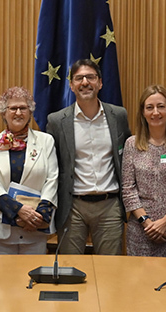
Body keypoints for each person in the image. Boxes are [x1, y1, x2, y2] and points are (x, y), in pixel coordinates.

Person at [46, 59, 131, 255]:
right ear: (71, 85)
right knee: (70, 267)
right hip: (72, 207)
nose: (85, 82)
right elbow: (51, 165)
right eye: (79, 78)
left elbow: (127, 156)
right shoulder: (57, 121)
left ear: (100, 83)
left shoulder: (118, 115)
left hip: (109, 206)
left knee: (110, 270)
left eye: (90, 77)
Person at [0, 87, 58, 254]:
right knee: (0, 279)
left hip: (34, 227)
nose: (18, 112)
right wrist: (19, 211)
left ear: (30, 112)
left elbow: (52, 179)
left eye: (23, 108)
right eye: (12, 108)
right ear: (3, 113)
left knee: (34, 278)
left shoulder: (46, 141)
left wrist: (39, 215)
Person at [121, 85, 166, 257]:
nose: (156, 112)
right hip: (141, 231)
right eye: (150, 107)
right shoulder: (131, 144)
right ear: (143, 112)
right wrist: (147, 223)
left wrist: (165, 223)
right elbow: (128, 190)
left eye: (161, 106)